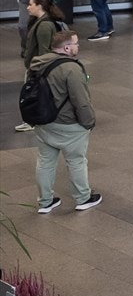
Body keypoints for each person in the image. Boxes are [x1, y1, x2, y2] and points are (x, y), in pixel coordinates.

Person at [32, 28, 100, 213]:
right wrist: (88, 122)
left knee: (45, 161)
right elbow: (81, 100)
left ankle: (45, 202)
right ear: (67, 48)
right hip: (68, 124)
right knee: (76, 161)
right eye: (76, 44)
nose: (78, 46)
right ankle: (83, 198)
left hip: (43, 122)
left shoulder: (37, 64)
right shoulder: (71, 68)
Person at [16, 0, 67, 133]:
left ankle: (32, 120)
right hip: (36, 66)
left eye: (31, 4)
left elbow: (44, 51)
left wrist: (38, 70)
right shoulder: (42, 21)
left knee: (33, 94)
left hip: (37, 68)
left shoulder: (44, 25)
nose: (28, 7)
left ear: (39, 6)